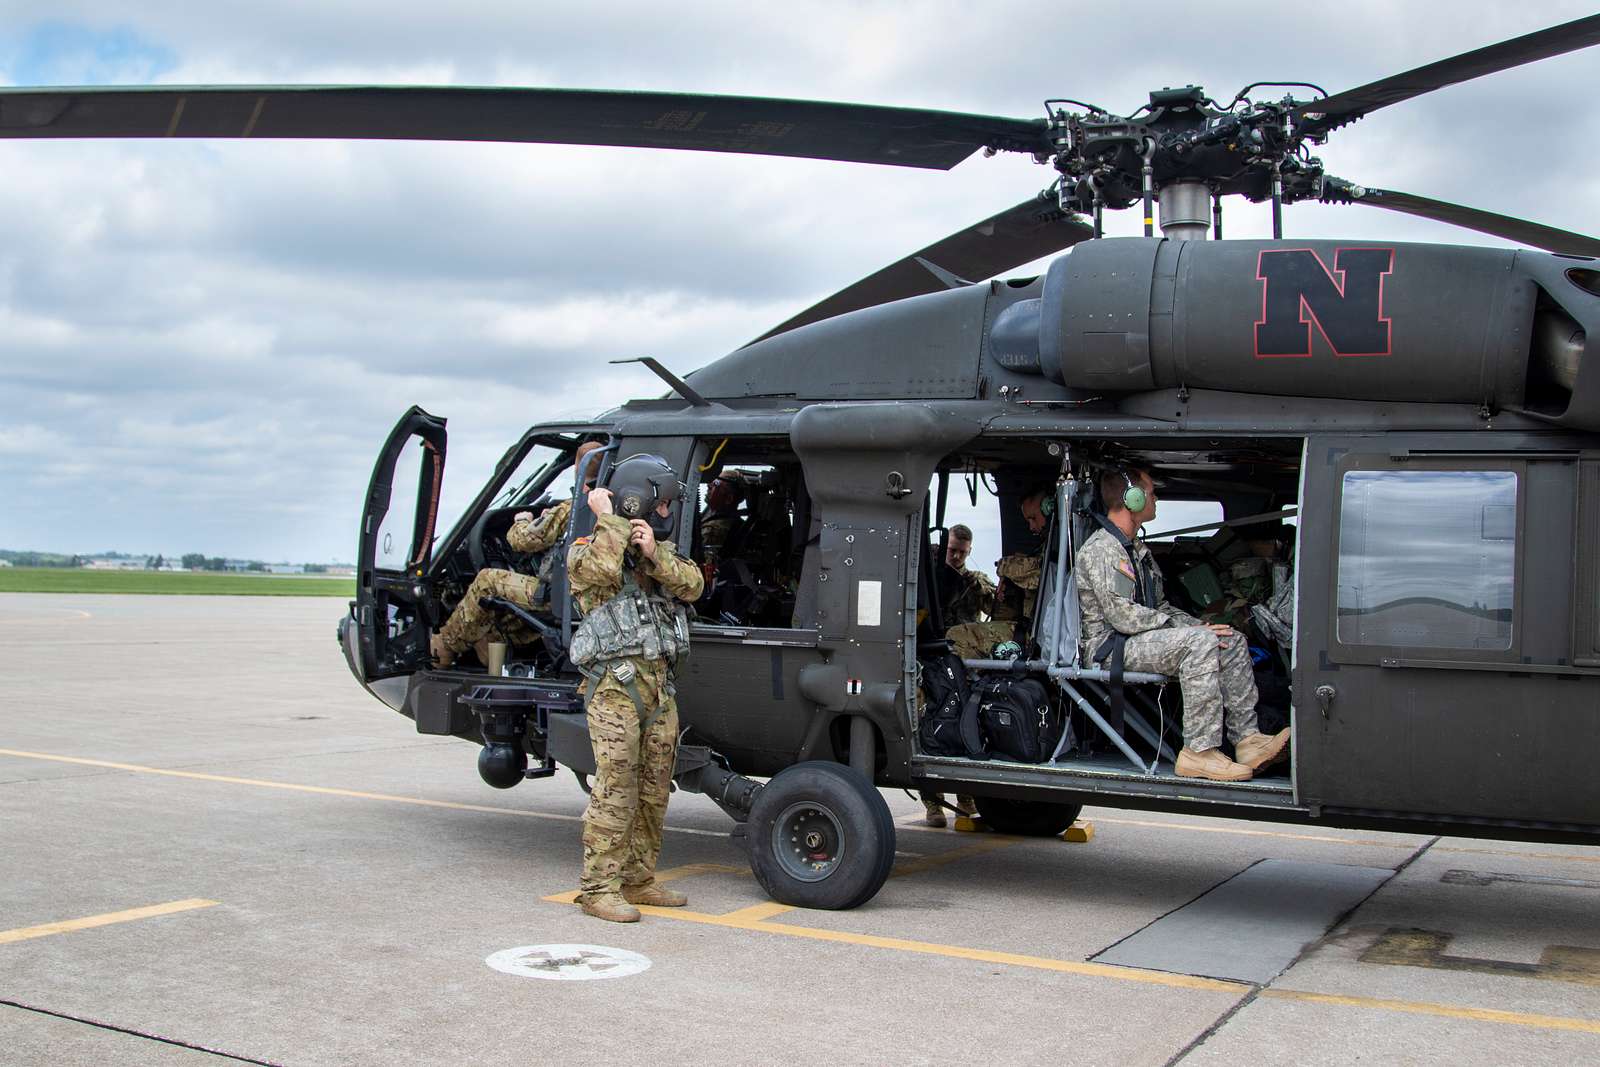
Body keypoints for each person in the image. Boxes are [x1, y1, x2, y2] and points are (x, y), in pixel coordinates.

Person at [1074, 467, 1289, 782]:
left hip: (1138, 638)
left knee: (1229, 640)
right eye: (1151, 491)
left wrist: (1199, 625)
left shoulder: (1136, 550)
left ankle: (1248, 740)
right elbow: (1122, 616)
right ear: (1132, 499)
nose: (1155, 497)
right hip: (1110, 645)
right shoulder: (1102, 549)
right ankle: (1199, 752)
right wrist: (1192, 633)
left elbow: (1159, 607)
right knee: (1199, 643)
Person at [566, 455, 704, 923]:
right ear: (636, 500)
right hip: (614, 690)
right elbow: (600, 570)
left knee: (652, 790)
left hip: (659, 689)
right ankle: (597, 888)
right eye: (660, 504)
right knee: (616, 788)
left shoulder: (657, 555)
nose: (665, 513)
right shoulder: (587, 549)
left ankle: (638, 878)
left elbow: (694, 585)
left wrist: (654, 554)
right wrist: (608, 519)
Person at [429, 441, 601, 668]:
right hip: (591, 598)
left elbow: (521, 541)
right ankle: (491, 645)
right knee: (513, 608)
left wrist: (523, 520)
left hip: (564, 597)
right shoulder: (614, 504)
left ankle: (443, 649)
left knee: (487, 581)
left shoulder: (574, 507)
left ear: (577, 469)